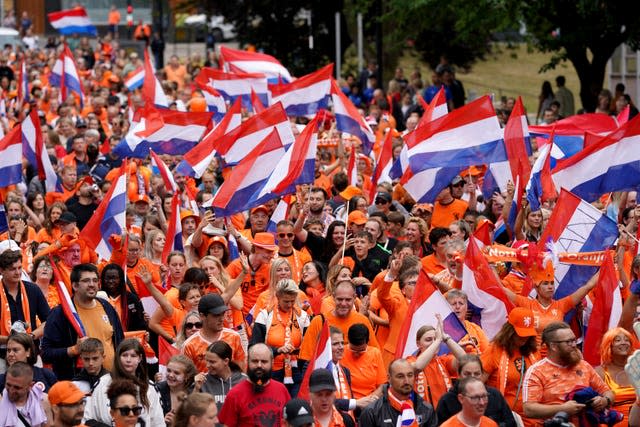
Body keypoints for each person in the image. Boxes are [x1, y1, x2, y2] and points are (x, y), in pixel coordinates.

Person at [42, 263, 124, 380]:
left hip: (111, 382)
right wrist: (73, 350)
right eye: (86, 281)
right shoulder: (60, 314)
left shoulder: (107, 307)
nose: (92, 285)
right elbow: (46, 354)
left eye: (95, 280)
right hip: (77, 385)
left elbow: (120, 342)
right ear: (75, 285)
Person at [522, 322, 614, 426]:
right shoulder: (537, 371)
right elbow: (529, 409)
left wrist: (604, 400)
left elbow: (608, 392)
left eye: (574, 340)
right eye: (568, 342)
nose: (574, 345)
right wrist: (563, 409)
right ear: (553, 346)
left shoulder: (583, 366)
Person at [84, 338, 164, 426]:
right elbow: (87, 419)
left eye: (133, 356)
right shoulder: (103, 383)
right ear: (118, 357)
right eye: (124, 355)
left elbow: (158, 422)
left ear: (140, 358)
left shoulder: (149, 388)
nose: (128, 360)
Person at [251, 279, 310, 396]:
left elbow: (309, 347)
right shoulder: (264, 316)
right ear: (277, 296)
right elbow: (253, 348)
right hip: (272, 372)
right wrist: (277, 350)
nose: (289, 305)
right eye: (286, 301)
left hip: (296, 372)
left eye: (292, 301)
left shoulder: (302, 317)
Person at [299, 280, 379, 364]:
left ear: (355, 297)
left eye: (348, 300)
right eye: (340, 299)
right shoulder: (319, 321)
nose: (343, 303)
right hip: (329, 374)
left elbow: (374, 354)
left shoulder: (362, 321)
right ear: (333, 297)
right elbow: (305, 359)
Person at [481, 307, 539, 421]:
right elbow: (477, 383)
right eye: (520, 333)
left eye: (528, 333)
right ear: (510, 330)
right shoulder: (494, 350)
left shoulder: (533, 351)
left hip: (534, 417)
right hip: (504, 417)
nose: (525, 337)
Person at [218, 343, 291, 426]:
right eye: (255, 361)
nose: (259, 365)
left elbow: (290, 421)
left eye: (264, 361)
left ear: (272, 362)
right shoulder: (235, 394)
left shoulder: (281, 389)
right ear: (247, 361)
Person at [436, 355, 516, 426]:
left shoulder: (494, 395)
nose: (472, 377)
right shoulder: (447, 400)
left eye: (477, 374)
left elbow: (510, 423)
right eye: (467, 374)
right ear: (459, 375)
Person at [359, 358, 437, 427]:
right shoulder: (371, 412)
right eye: (400, 376)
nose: (406, 381)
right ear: (389, 378)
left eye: (410, 375)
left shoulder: (426, 408)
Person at [0, 250, 49, 345]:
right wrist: (11, 341)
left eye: (19, 268)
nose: (18, 272)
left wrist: (30, 336)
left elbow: (48, 321)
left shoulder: (33, 289)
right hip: (3, 351)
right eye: (12, 269)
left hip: (30, 348)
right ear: (1, 270)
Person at [594, 327, 636, 416]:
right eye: (618, 340)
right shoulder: (600, 372)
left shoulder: (637, 368)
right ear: (609, 346)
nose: (623, 343)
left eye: (627, 340)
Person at [195, 341, 246, 412]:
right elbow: (193, 411)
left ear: (226, 361)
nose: (207, 365)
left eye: (212, 362)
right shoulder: (202, 381)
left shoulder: (244, 381)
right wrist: (196, 389)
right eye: (207, 361)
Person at [340, 323, 386, 400]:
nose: (357, 354)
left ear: (368, 342)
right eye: (353, 350)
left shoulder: (375, 353)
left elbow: (382, 385)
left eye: (361, 351)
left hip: (370, 401)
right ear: (348, 340)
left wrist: (368, 400)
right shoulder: (340, 353)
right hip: (346, 401)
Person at [0, 362, 50, 427]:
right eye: (8, 385)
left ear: (30, 386)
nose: (11, 390)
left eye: (17, 387)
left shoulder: (43, 401)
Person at [156, 355, 197, 423]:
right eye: (169, 370)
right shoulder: (157, 390)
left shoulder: (195, 391)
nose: (171, 375)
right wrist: (162, 422)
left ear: (187, 376)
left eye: (176, 373)